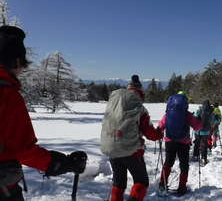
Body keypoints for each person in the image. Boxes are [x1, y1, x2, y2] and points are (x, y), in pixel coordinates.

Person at [0, 25, 87, 200]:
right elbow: (23, 150)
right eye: (22, 63)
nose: (22, 69)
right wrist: (65, 164)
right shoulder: (8, 95)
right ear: (15, 61)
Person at [100, 74, 163, 201]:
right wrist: (159, 134)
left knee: (119, 182)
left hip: (112, 148)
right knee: (141, 182)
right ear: (140, 93)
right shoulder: (140, 108)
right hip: (131, 152)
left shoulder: (114, 104)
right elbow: (149, 133)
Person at [157, 91, 202, 195]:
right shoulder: (187, 115)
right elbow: (198, 127)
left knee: (168, 162)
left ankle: (162, 184)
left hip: (169, 141)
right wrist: (199, 120)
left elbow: (160, 126)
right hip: (183, 142)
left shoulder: (167, 114)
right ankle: (182, 187)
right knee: (184, 164)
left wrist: (158, 132)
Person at [192, 100, 220, 165]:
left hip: (198, 131)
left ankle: (195, 156)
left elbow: (195, 118)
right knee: (204, 144)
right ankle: (204, 158)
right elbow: (213, 122)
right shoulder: (211, 112)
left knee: (197, 143)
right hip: (206, 132)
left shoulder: (199, 110)